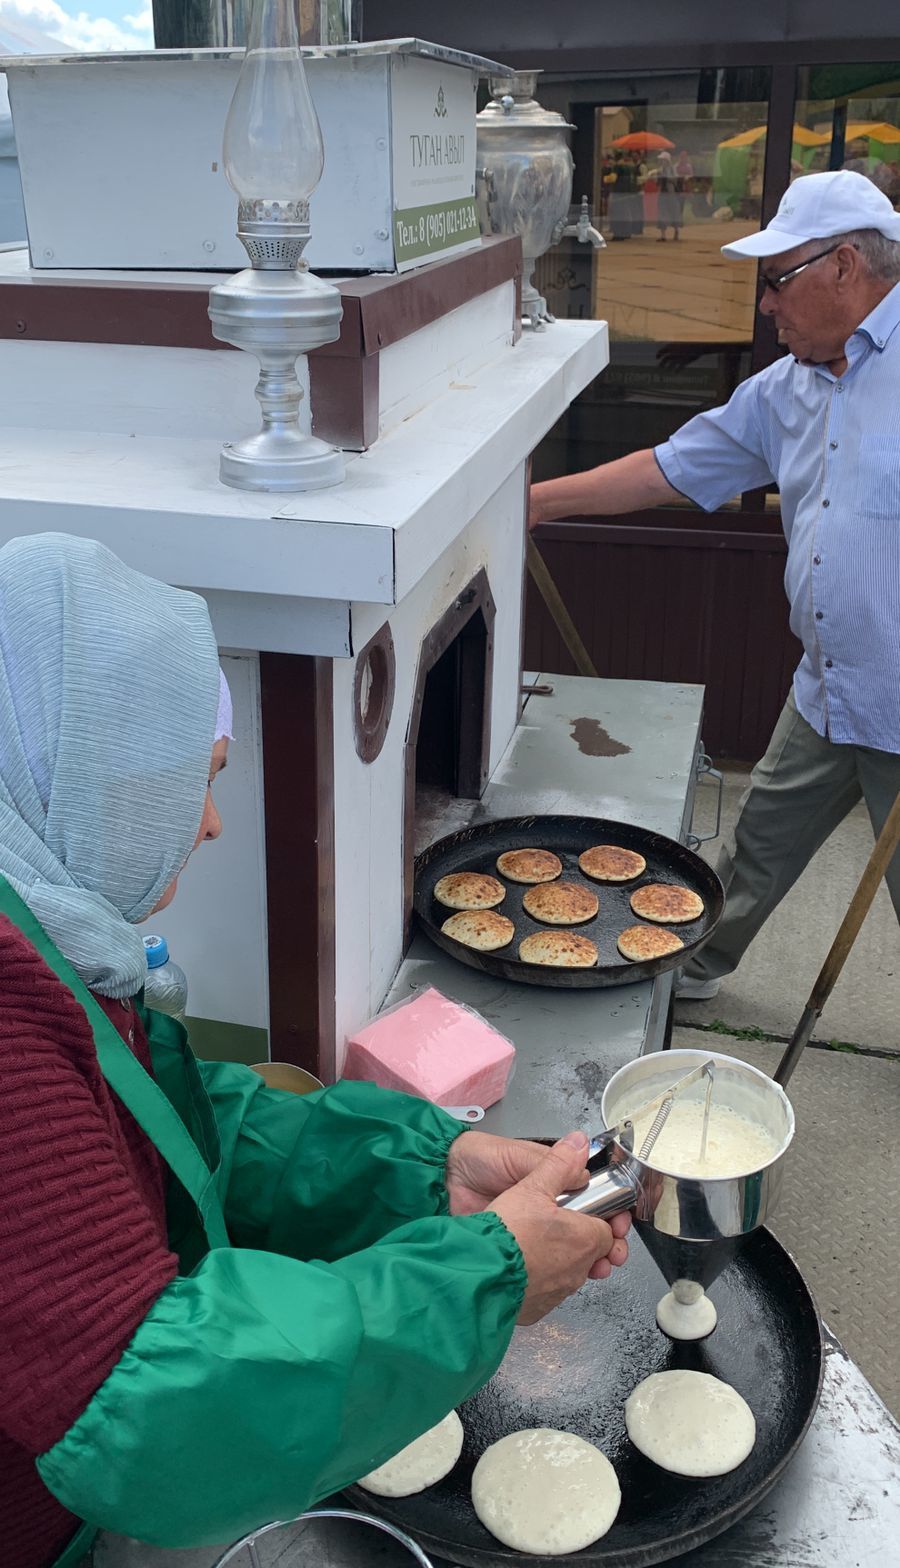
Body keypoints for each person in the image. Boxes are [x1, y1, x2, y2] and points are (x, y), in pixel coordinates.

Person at [0, 533, 630, 1567]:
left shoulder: (41, 926)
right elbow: (148, 1405)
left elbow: (161, 1118)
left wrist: (421, 1171)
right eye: (194, 782)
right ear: (89, 771)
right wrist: (486, 1276)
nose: (209, 825)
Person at [530, 170, 900, 1001]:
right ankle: (688, 972)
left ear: (845, 267)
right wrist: (532, 504)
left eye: (778, 282)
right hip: (828, 690)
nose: (767, 305)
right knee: (758, 844)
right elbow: (667, 469)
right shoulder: (788, 388)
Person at [656, 151, 682, 241]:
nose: (661, 161)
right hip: (662, 193)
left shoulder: (672, 169)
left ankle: (676, 231)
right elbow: (658, 183)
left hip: (671, 193)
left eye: (663, 160)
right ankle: (663, 235)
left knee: (674, 212)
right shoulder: (660, 169)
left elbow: (675, 180)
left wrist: (666, 177)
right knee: (662, 213)